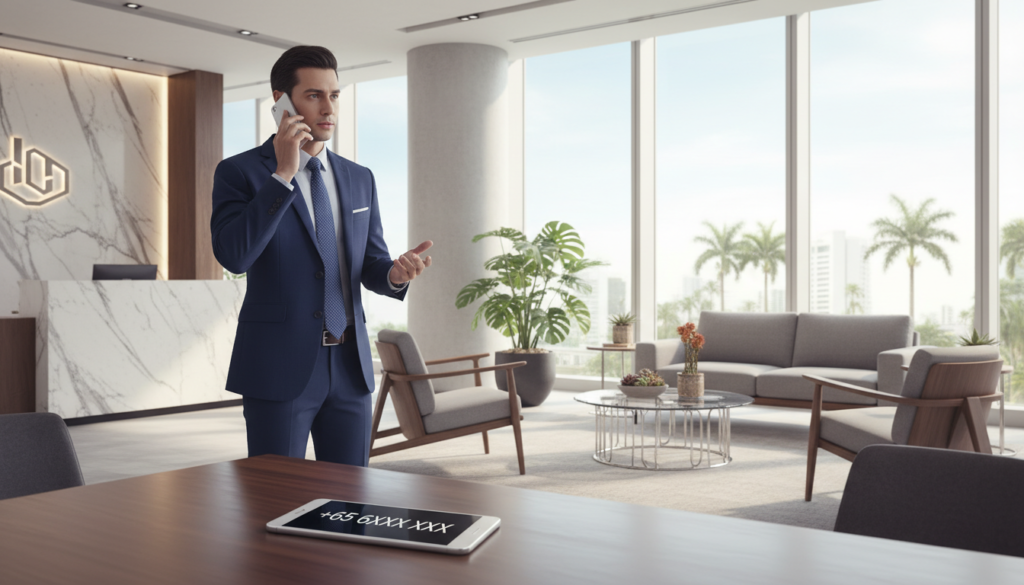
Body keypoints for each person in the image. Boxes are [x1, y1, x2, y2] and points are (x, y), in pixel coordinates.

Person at [211, 46, 431, 466]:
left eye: (334, 95)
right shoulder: (240, 172)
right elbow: (234, 256)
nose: (328, 108)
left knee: (350, 500)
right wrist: (283, 175)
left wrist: (396, 275)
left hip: (349, 367)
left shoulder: (358, 177)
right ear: (281, 102)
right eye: (314, 95)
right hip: (278, 365)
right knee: (275, 499)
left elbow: (371, 264)